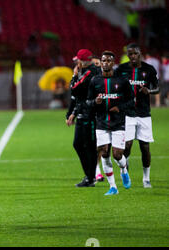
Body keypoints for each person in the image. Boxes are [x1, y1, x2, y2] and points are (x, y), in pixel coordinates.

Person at [87, 51, 134, 196]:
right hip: (101, 122)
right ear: (100, 63)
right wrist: (95, 102)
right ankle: (113, 187)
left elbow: (131, 100)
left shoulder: (122, 81)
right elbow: (88, 102)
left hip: (118, 122)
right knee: (104, 152)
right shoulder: (95, 81)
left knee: (117, 155)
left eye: (108, 60)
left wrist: (119, 108)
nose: (105, 63)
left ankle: (124, 169)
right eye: (103, 60)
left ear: (113, 63)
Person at [115, 44, 159, 188]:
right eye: (129, 54)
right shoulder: (121, 69)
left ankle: (146, 179)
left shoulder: (149, 69)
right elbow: (115, 85)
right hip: (127, 113)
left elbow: (157, 88)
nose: (132, 56)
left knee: (145, 147)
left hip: (144, 114)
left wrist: (149, 91)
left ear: (140, 53)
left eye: (134, 53)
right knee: (126, 146)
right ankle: (125, 171)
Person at [66, 49, 101, 187]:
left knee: (90, 146)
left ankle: (90, 177)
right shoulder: (87, 72)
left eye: (78, 60)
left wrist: (74, 76)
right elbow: (79, 97)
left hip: (91, 114)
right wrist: (73, 113)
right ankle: (89, 176)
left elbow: (74, 89)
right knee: (79, 144)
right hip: (83, 112)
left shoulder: (90, 72)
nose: (76, 63)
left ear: (82, 61)